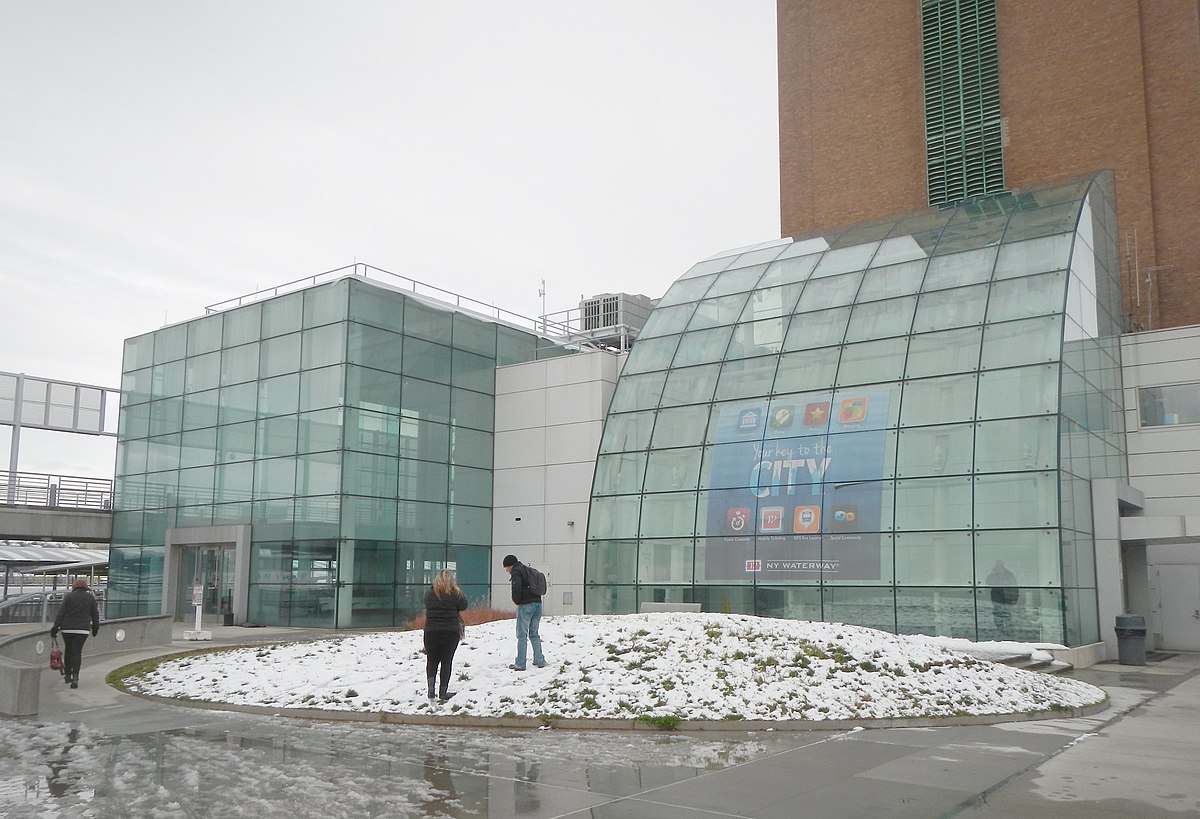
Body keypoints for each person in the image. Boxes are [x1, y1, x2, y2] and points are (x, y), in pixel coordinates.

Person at [423, 569, 467, 702]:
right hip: (450, 631)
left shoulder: (429, 594)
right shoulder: (455, 594)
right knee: (446, 661)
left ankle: (431, 690)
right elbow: (464, 606)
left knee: (431, 660)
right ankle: (443, 692)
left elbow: (426, 604)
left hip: (431, 631)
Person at [50, 577, 100, 689]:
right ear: (86, 587)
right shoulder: (90, 598)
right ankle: (75, 678)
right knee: (77, 652)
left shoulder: (68, 597)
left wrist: (55, 628)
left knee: (68, 650)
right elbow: (95, 615)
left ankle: (68, 675)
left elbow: (60, 614)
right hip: (83, 629)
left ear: (74, 587)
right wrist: (95, 628)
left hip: (67, 628)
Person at [502, 554, 545, 671]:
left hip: (526, 605)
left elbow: (516, 589)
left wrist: (517, 601)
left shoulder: (516, 572)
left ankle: (520, 663)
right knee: (534, 633)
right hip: (538, 604)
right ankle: (539, 659)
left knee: (522, 635)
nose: (506, 570)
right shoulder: (527, 569)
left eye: (506, 568)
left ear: (510, 565)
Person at [986, 560, 1020, 639]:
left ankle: (1009, 633)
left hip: (1007, 599)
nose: (999, 568)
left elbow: (1014, 586)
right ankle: (1000, 633)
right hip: (996, 599)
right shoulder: (992, 575)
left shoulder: (1009, 575)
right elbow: (988, 582)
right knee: (998, 616)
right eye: (997, 566)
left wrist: (1015, 597)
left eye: (1000, 566)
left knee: (1007, 616)